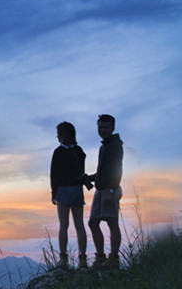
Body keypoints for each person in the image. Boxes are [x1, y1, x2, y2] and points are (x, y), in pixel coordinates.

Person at [83, 114, 124, 269]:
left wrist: (112, 189)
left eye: (106, 127)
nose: (103, 130)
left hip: (109, 189)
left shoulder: (115, 145)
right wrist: (88, 178)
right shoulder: (104, 146)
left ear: (112, 128)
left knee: (112, 223)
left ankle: (113, 259)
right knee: (93, 223)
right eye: (100, 127)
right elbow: (103, 172)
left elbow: (117, 169)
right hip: (101, 190)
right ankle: (101, 257)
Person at [50, 121, 91, 268]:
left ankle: (63, 258)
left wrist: (54, 193)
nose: (57, 136)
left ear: (63, 135)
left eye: (58, 134)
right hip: (77, 191)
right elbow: (81, 172)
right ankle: (83, 258)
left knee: (64, 225)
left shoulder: (58, 152)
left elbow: (54, 175)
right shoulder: (79, 151)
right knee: (80, 225)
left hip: (63, 191)